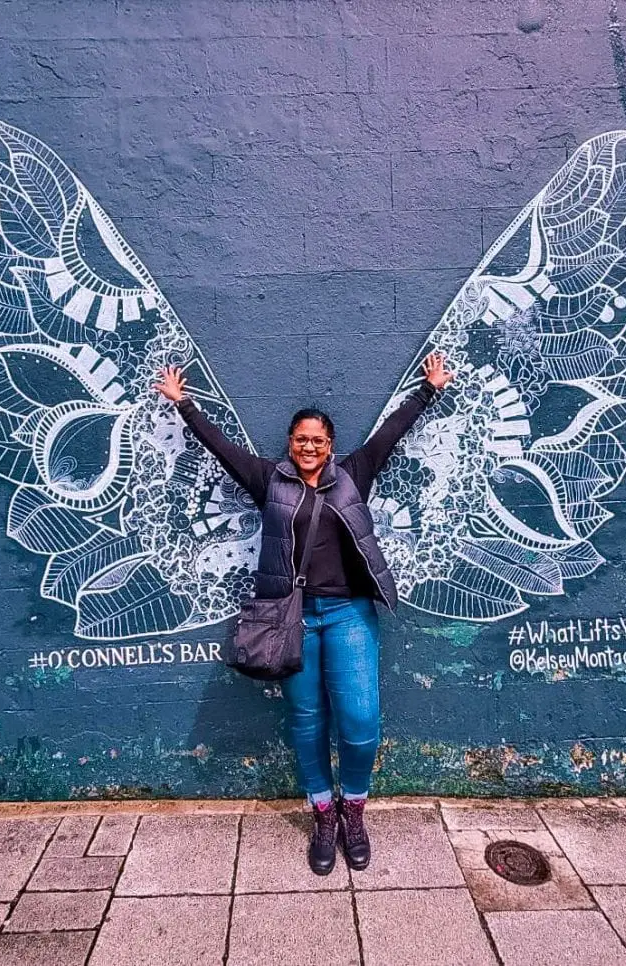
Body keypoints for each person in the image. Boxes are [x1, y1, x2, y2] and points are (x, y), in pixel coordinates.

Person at [153, 352, 454, 874]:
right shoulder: (269, 480)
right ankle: (322, 812)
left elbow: (391, 433)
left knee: (360, 722)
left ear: (330, 445)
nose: (308, 446)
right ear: (290, 444)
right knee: (307, 722)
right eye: (300, 439)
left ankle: (352, 809)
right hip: (290, 619)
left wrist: (429, 390)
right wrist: (185, 406)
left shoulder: (355, 473)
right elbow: (223, 449)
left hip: (348, 614)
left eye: (317, 440)